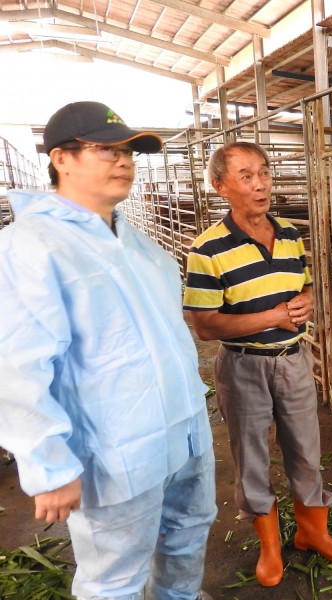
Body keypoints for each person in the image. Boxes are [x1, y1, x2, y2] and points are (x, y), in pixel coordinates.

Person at [0, 101, 217, 600]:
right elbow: (16, 368)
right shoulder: (31, 245)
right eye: (106, 150)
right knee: (115, 574)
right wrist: (49, 466)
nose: (124, 161)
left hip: (185, 431)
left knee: (188, 535)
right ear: (62, 158)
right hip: (115, 448)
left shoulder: (138, 244)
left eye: (128, 151)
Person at [183, 141, 332, 587]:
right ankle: (270, 547)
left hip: (294, 359)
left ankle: (313, 533)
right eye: (246, 176)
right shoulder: (207, 248)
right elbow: (205, 325)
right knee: (252, 457)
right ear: (220, 187)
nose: (260, 185)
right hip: (243, 367)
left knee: (305, 450)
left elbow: (307, 286)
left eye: (264, 173)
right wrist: (274, 316)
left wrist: (307, 303)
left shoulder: (292, 233)